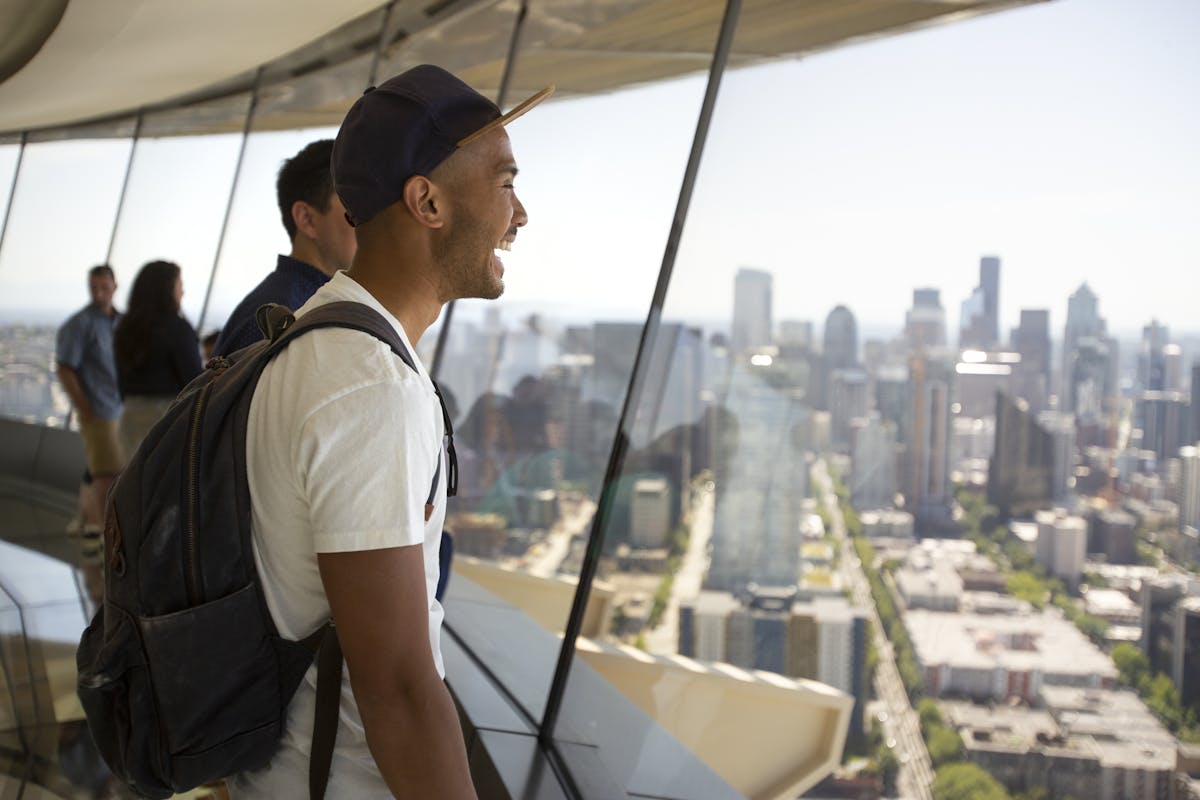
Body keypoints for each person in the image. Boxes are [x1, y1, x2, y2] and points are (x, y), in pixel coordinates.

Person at [228, 64, 551, 799]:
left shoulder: (309, 339)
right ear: (426, 201)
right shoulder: (368, 387)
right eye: (505, 183)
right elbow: (399, 687)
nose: (521, 213)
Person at [211, 139, 356, 356]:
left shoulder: (310, 303)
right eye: (354, 205)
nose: (371, 221)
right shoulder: (277, 318)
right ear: (307, 219)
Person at [55, 265, 123, 543]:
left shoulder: (123, 322)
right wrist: (84, 407)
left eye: (104, 288)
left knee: (101, 466)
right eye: (93, 288)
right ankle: (99, 530)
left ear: (114, 287)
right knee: (106, 471)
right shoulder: (79, 324)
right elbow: (64, 368)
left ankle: (86, 519)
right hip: (98, 409)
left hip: (121, 407)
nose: (98, 294)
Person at [113, 260, 203, 461]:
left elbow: (121, 383)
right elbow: (194, 382)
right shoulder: (178, 329)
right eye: (180, 285)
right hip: (165, 423)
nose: (183, 291)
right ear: (167, 290)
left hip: (129, 420)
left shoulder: (126, 328)